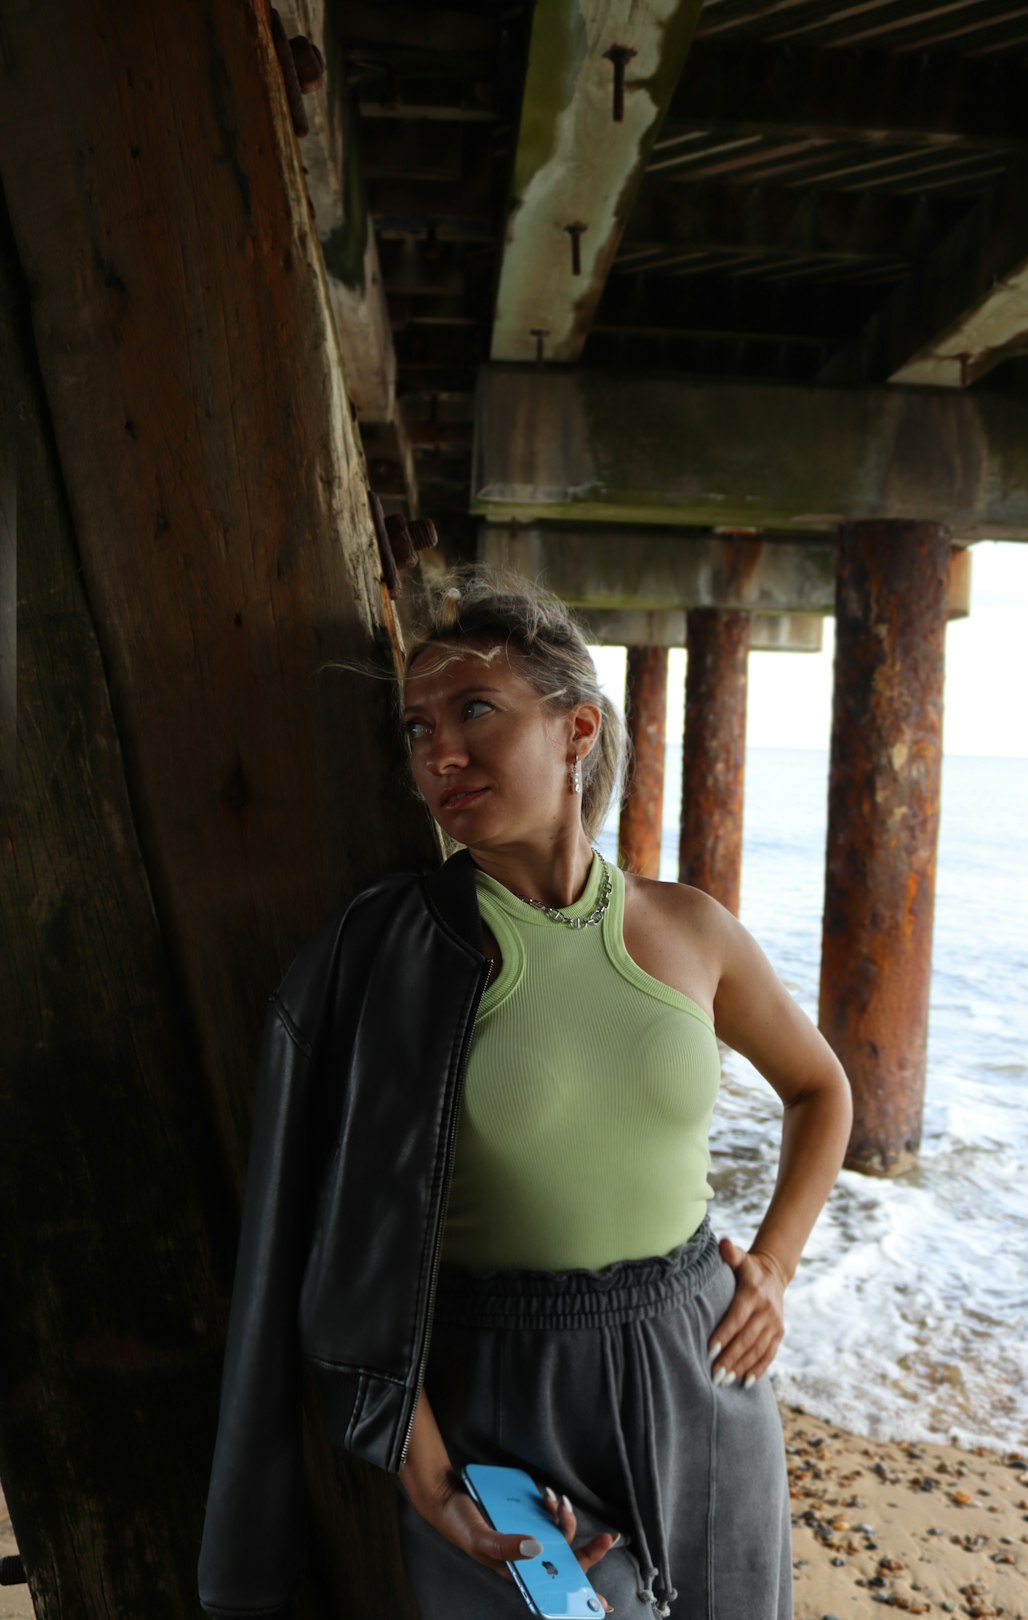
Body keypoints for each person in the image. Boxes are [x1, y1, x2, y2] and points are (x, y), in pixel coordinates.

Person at [196, 564, 852, 1620]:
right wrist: (420, 1465)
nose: (439, 753)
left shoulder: (690, 930)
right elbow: (331, 1234)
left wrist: (772, 1267)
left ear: (576, 731)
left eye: (474, 711)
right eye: (416, 729)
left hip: (703, 1363)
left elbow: (821, 1090)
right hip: (499, 1387)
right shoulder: (390, 953)